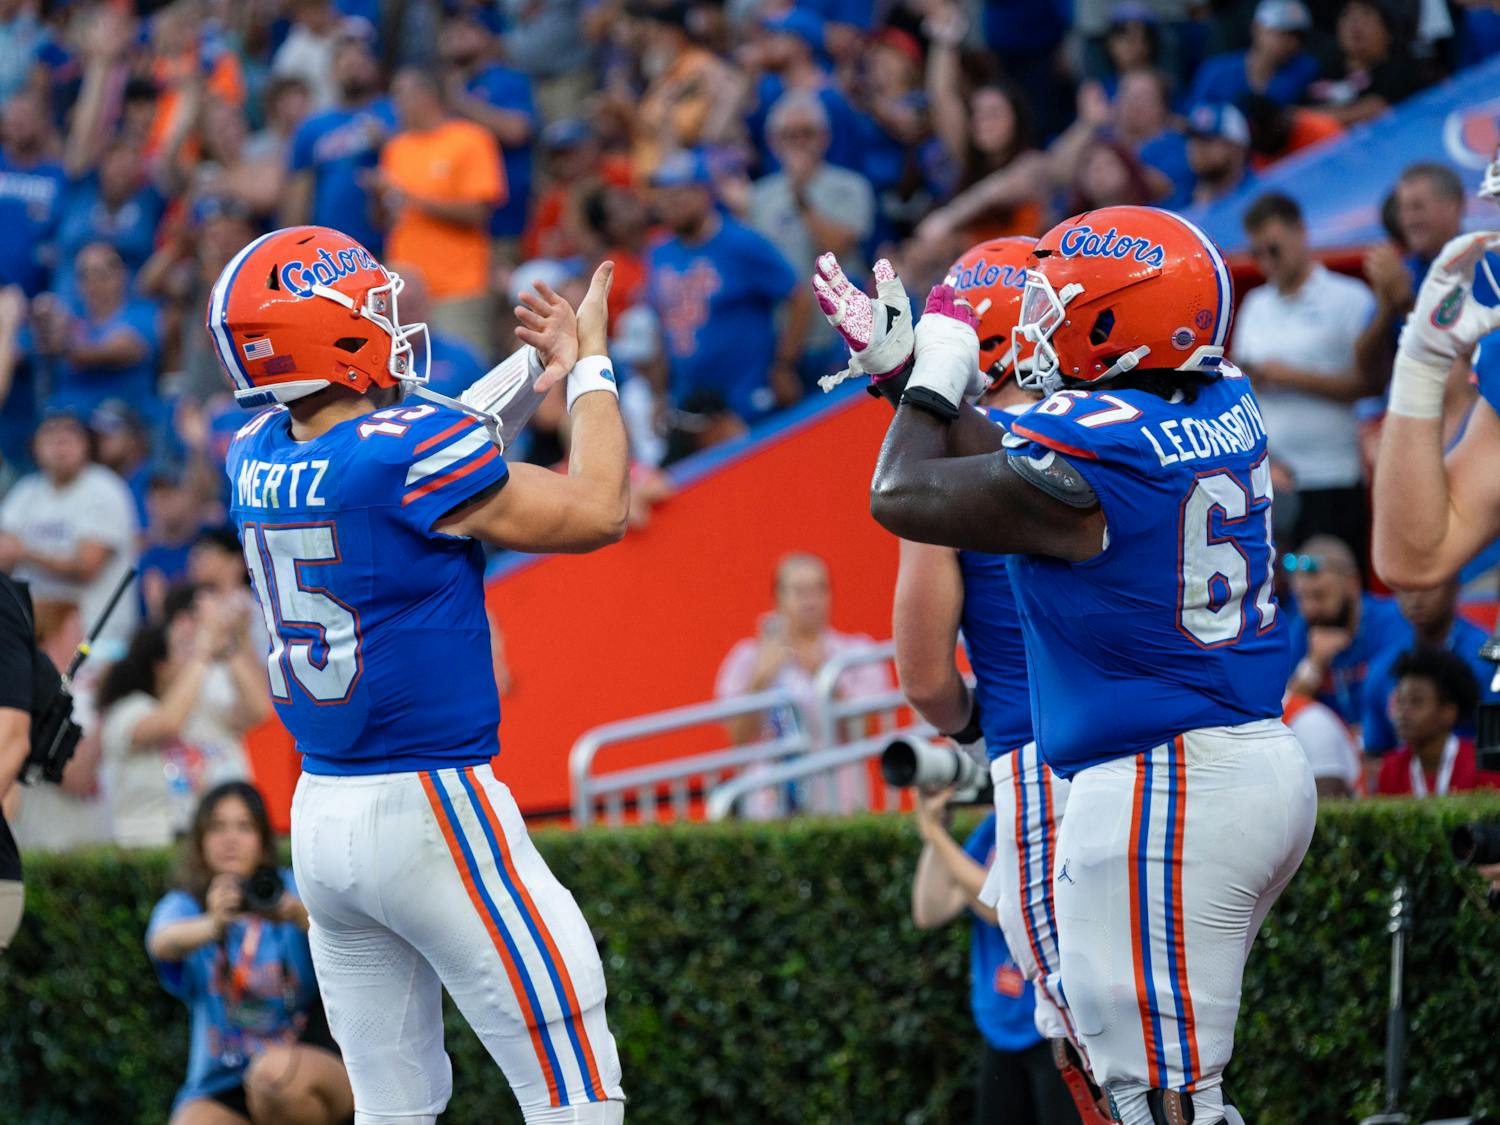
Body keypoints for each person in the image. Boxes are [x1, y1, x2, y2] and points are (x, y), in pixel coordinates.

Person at [816, 203, 1315, 1124]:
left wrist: (928, 383)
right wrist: (901, 378)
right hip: (1241, 757)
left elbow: (902, 491)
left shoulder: (1099, 444)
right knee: (1150, 1083)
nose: (1046, 317)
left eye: (1066, 300)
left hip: (1170, 776)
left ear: (1121, 318)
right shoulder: (1214, 395)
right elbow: (1014, 470)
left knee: (1159, 1098)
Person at [210, 225, 627, 1123]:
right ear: (330, 335)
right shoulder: (404, 451)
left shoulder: (252, 453)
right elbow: (598, 508)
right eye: (367, 311)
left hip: (321, 822)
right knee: (576, 1089)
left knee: (392, 1111)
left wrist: (533, 371)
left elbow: (422, 447)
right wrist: (590, 365)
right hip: (431, 804)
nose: (389, 327)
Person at [890, 236, 1109, 1123]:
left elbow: (923, 675)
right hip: (1163, 747)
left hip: (1036, 752)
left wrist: (977, 731)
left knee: (1075, 1035)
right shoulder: (1125, 424)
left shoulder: (944, 457)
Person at [146, 781, 355, 1124]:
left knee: (272, 1079)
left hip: (309, 1063)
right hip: (224, 1079)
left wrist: (291, 913)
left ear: (262, 839)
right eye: (217, 827)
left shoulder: (289, 886)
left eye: (244, 826)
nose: (231, 839)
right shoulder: (188, 904)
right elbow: (161, 941)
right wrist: (212, 925)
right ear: (200, 839)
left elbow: (346, 937)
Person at [910, 789, 1078, 1125]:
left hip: (1055, 1030)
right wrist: (937, 830)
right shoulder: (992, 829)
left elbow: (1002, 909)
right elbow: (929, 909)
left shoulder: (1047, 827)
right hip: (1000, 1029)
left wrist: (937, 837)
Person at [1232, 193, 1376, 559]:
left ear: (1301, 233)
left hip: (1330, 476)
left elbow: (1370, 385)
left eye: (1274, 250)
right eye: (1256, 254)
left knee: (1334, 590)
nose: (1266, 262)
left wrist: (1289, 375)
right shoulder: (1255, 305)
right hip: (1271, 478)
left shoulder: (1349, 298)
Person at [714, 552, 888, 814]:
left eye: (819, 589)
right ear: (778, 599)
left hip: (839, 799)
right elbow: (736, 736)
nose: (810, 600)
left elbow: (864, 729)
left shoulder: (855, 654)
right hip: (767, 802)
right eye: (799, 591)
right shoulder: (747, 657)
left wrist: (824, 676)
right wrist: (759, 679)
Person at [645, 149, 809, 421]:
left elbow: (798, 296)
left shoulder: (740, 242)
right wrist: (660, 393)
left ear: (704, 193)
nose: (668, 203)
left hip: (747, 395)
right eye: (663, 195)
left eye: (678, 193)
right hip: (689, 400)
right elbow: (663, 326)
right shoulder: (658, 253)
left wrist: (784, 364)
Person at [98, 586, 267, 848]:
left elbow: (260, 710)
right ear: (159, 665)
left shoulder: (204, 705)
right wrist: (204, 650)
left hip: (210, 846)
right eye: (181, 650)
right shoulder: (127, 711)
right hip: (150, 847)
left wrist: (229, 645)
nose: (190, 658)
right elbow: (168, 722)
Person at [748, 91, 875, 388]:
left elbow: (835, 248)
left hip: (840, 338)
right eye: (788, 135)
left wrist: (800, 195)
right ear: (773, 142)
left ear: (825, 137)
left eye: (807, 133)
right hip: (784, 338)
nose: (798, 142)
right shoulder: (759, 197)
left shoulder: (851, 186)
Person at [376, 68, 504, 356]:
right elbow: (386, 220)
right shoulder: (396, 148)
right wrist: (377, 200)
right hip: (404, 294)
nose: (394, 103)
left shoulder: (470, 139)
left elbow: (478, 212)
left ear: (426, 96)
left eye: (401, 94)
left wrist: (412, 198)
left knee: (466, 383)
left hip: (458, 289)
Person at [0, 410, 139, 654]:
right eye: (50, 438)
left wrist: (24, 552)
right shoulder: (25, 492)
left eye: (68, 438)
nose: (59, 447)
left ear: (87, 444)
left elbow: (87, 566)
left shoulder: (105, 489)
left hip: (100, 638)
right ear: (35, 446)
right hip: (38, 636)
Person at [1355, 163, 1465, 401]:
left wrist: (1404, 301)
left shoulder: (1484, 265)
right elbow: (1365, 369)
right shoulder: (1403, 270)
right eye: (1403, 209)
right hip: (1408, 415)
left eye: (1417, 207)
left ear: (1454, 205)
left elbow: (1458, 356)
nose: (1408, 220)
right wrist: (1385, 308)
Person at [283, 25, 394, 257]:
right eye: (345, 63)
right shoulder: (312, 127)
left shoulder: (395, 113)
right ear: (332, 71)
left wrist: (387, 145)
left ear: (375, 68)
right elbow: (299, 191)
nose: (353, 69)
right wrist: (294, 247)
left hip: (387, 242)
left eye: (360, 63)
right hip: (329, 250)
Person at [1361, 581, 1500, 755]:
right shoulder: (1381, 667)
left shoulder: (1490, 657)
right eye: (1407, 589)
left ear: (1455, 587)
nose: (1416, 598)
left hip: (1477, 779)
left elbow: (1495, 751)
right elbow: (1376, 755)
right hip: (1408, 778)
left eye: (1429, 587)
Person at [1284, 536, 1410, 727]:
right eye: (1302, 598)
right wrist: (1314, 665)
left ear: (1352, 584)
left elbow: (1403, 705)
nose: (1309, 609)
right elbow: (1286, 716)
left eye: (1320, 596)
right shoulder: (1301, 630)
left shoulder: (1392, 622)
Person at [1374, 650, 1500, 796]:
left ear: (1448, 713)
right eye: (1400, 701)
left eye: (1417, 702)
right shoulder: (1391, 769)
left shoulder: (1482, 767)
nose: (1403, 712)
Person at [1186, 0, 1317, 108]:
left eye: (1298, 36)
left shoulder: (1306, 70)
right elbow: (1190, 116)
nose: (1292, 43)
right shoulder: (1216, 70)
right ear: (1257, 29)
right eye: (1283, 33)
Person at [1183, 103, 1252, 209]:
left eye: (1207, 140)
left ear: (1236, 147)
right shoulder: (1185, 206)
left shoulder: (1262, 196)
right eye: (1193, 140)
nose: (1198, 148)